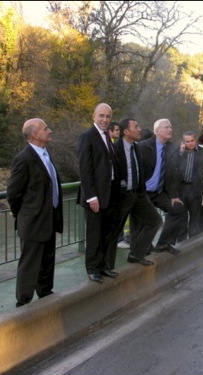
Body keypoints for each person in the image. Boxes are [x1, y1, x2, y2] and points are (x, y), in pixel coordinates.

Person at [7, 118, 63, 307]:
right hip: (32, 221)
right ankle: (23, 302)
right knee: (30, 262)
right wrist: (23, 215)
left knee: (47, 259)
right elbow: (14, 193)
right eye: (45, 128)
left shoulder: (46, 155)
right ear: (34, 134)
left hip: (49, 218)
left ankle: (45, 293)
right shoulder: (23, 159)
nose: (50, 131)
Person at [77, 103, 120, 283]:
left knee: (105, 233)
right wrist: (91, 196)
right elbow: (85, 169)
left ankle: (103, 266)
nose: (105, 120)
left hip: (108, 194)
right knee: (94, 235)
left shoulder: (106, 137)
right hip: (95, 197)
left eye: (108, 116)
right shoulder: (87, 136)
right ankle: (92, 268)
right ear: (94, 116)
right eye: (101, 116)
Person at [112, 118, 162, 266]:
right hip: (122, 196)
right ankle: (105, 266)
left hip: (138, 194)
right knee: (113, 231)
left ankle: (136, 254)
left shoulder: (137, 147)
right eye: (136, 126)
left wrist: (141, 191)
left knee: (155, 220)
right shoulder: (115, 149)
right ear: (126, 131)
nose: (139, 129)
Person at [137, 118, 185, 255]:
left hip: (158, 192)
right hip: (143, 192)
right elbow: (136, 172)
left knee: (178, 208)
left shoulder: (170, 148)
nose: (170, 129)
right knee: (144, 221)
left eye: (171, 127)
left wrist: (174, 196)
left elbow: (171, 174)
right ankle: (141, 250)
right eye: (166, 127)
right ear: (156, 131)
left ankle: (163, 244)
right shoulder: (144, 147)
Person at [173, 131, 203, 240]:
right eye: (187, 141)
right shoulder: (179, 152)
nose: (190, 143)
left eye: (192, 140)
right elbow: (171, 166)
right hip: (181, 190)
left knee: (195, 219)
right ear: (184, 142)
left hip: (196, 189)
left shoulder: (202, 152)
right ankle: (182, 244)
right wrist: (180, 153)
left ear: (195, 140)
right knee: (181, 219)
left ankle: (193, 244)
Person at [108, 121, 131, 249]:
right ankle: (118, 238)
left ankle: (121, 237)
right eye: (116, 130)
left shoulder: (114, 144)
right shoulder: (112, 145)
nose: (118, 132)